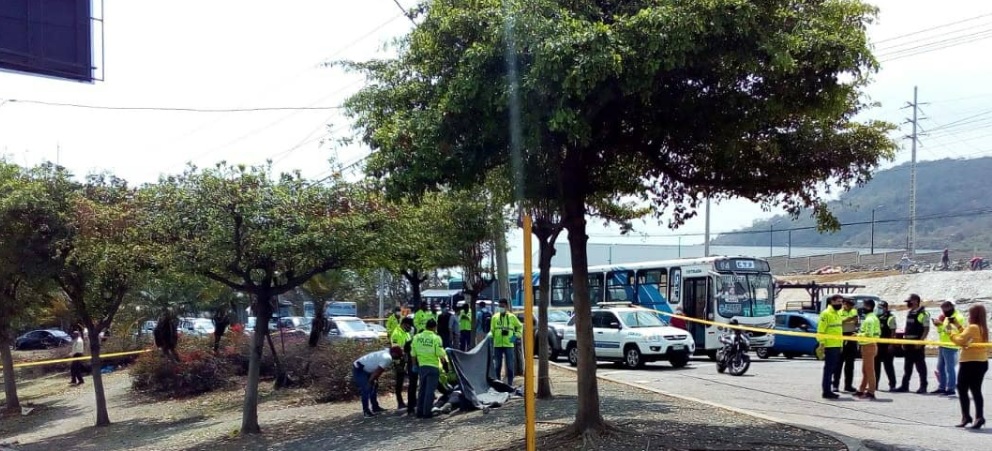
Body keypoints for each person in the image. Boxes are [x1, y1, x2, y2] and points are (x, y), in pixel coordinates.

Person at [948, 304, 988, 429]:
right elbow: (966, 336)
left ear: (973, 315)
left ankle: (967, 416)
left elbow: (960, 341)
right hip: (981, 362)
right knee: (976, 390)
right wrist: (958, 326)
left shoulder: (972, 327)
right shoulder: (981, 327)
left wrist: (949, 331)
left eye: (970, 314)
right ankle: (979, 417)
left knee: (962, 388)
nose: (968, 316)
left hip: (970, 362)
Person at [353, 346, 403, 418]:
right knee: (366, 388)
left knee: (374, 386)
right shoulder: (387, 358)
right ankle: (366, 412)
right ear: (394, 353)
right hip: (360, 369)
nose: (398, 357)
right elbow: (378, 371)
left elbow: (378, 370)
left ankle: (375, 407)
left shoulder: (386, 353)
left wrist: (374, 380)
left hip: (367, 369)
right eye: (398, 355)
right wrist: (370, 381)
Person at [894, 294, 930, 394]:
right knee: (907, 366)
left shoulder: (923, 314)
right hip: (908, 344)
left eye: (909, 301)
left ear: (915, 301)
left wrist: (921, 342)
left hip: (917, 344)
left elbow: (926, 329)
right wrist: (904, 341)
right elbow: (907, 328)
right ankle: (904, 386)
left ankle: (923, 386)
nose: (908, 303)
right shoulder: (910, 313)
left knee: (920, 367)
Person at [411, 318, 446, 419]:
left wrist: (414, 365)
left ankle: (419, 412)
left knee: (422, 389)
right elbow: (439, 353)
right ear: (435, 327)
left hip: (422, 367)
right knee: (430, 391)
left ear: (426, 326)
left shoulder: (417, 337)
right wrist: (444, 361)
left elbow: (413, 353)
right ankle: (427, 413)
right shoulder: (436, 338)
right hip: (433, 367)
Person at [933, 301, 966, 395]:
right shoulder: (947, 316)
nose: (943, 310)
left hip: (951, 346)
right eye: (942, 308)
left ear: (951, 307)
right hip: (943, 345)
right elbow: (942, 331)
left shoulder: (958, 317)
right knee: (940, 367)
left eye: (945, 308)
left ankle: (951, 389)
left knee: (949, 368)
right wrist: (938, 326)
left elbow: (952, 332)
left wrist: (942, 324)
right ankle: (942, 387)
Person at [817, 294, 844, 399]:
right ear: (832, 302)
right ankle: (826, 391)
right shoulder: (826, 314)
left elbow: (838, 331)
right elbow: (821, 330)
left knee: (833, 369)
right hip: (829, 345)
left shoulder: (838, 313)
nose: (840, 304)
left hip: (837, 345)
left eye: (841, 302)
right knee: (828, 369)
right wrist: (822, 344)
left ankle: (829, 389)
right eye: (838, 302)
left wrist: (841, 344)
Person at [491, 298, 522, 386]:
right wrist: (490, 337)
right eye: (499, 306)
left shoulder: (512, 317)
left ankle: (510, 384)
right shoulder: (494, 317)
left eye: (502, 306)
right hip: (497, 345)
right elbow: (492, 330)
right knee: (497, 366)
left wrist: (514, 337)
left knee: (510, 366)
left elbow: (520, 327)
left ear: (507, 307)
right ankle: (498, 384)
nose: (501, 308)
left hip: (509, 344)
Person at [855, 299, 880, 400]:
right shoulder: (872, 317)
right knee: (865, 370)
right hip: (868, 345)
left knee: (869, 370)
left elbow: (868, 334)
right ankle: (861, 390)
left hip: (868, 346)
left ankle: (871, 391)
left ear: (869, 307)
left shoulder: (870, 320)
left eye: (864, 306)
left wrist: (858, 335)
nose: (862, 308)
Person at [833, 298, 859, 393]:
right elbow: (840, 322)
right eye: (848, 304)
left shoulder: (853, 311)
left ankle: (848, 385)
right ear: (844, 304)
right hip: (841, 337)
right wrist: (849, 320)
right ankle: (835, 385)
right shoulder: (839, 312)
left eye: (851, 305)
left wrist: (848, 320)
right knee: (838, 363)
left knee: (850, 364)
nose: (850, 306)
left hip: (851, 337)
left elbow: (855, 321)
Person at [390, 317, 414, 410]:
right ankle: (400, 403)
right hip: (398, 361)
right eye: (409, 325)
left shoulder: (405, 333)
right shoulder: (396, 333)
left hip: (406, 359)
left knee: (406, 381)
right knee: (399, 382)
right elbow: (395, 350)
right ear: (404, 324)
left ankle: (407, 401)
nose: (410, 327)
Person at [874, 301, 899, 391]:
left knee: (888, 366)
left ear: (886, 308)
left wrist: (891, 345)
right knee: (876, 366)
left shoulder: (890, 318)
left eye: (881, 307)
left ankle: (892, 385)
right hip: (877, 345)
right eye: (878, 307)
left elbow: (893, 332)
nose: (879, 309)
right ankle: (875, 384)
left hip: (887, 346)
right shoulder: (876, 317)